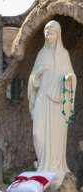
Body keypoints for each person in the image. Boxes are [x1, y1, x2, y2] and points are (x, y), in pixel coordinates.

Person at [28, 20, 76, 182]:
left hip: (58, 102)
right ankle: (43, 165)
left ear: (58, 35)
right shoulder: (41, 54)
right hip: (42, 98)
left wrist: (69, 79)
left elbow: (71, 76)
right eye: (46, 32)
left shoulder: (64, 55)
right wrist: (39, 73)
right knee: (38, 134)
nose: (48, 35)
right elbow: (33, 80)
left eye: (51, 32)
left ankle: (55, 167)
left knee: (56, 135)